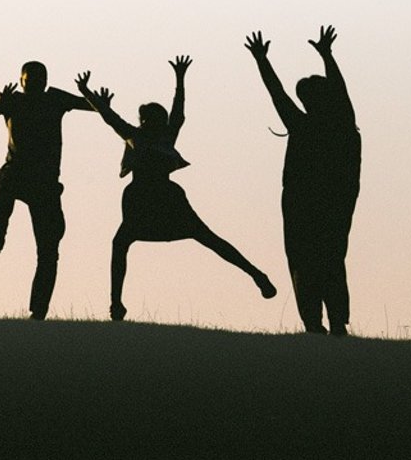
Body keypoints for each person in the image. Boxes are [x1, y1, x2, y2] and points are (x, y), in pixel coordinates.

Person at [76, 58, 275, 321]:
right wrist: (88, 94)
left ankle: (257, 275)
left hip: (163, 197)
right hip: (145, 198)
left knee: (205, 238)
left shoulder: (158, 136)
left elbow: (174, 112)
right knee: (124, 242)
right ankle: (116, 303)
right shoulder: (142, 136)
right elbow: (110, 117)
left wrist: (180, 80)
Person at [244, 26, 362, 335]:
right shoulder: (343, 126)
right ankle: (335, 322)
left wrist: (261, 60)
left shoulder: (306, 126)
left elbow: (277, 94)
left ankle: (316, 323)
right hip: (333, 206)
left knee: (304, 262)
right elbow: (338, 90)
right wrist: (327, 55)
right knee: (332, 260)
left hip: (303, 206)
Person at [0, 61, 95, 319]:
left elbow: (93, 107)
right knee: (5, 181)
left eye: (40, 81)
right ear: (21, 82)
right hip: (17, 173)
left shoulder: (55, 99)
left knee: (49, 250)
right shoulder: (13, 101)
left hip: (45, 183)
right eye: (30, 81)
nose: (35, 85)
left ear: (46, 82)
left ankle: (38, 310)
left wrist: (87, 92)